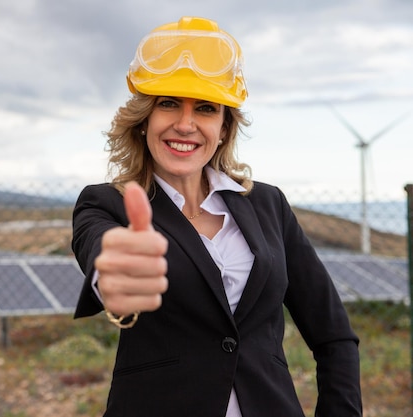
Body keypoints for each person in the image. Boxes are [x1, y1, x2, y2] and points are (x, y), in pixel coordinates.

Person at [71, 16, 362, 417]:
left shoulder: (269, 205)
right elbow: (104, 254)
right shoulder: (107, 204)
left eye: (205, 108)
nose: (185, 124)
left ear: (224, 127)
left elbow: (334, 336)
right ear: (144, 121)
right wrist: (118, 277)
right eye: (168, 103)